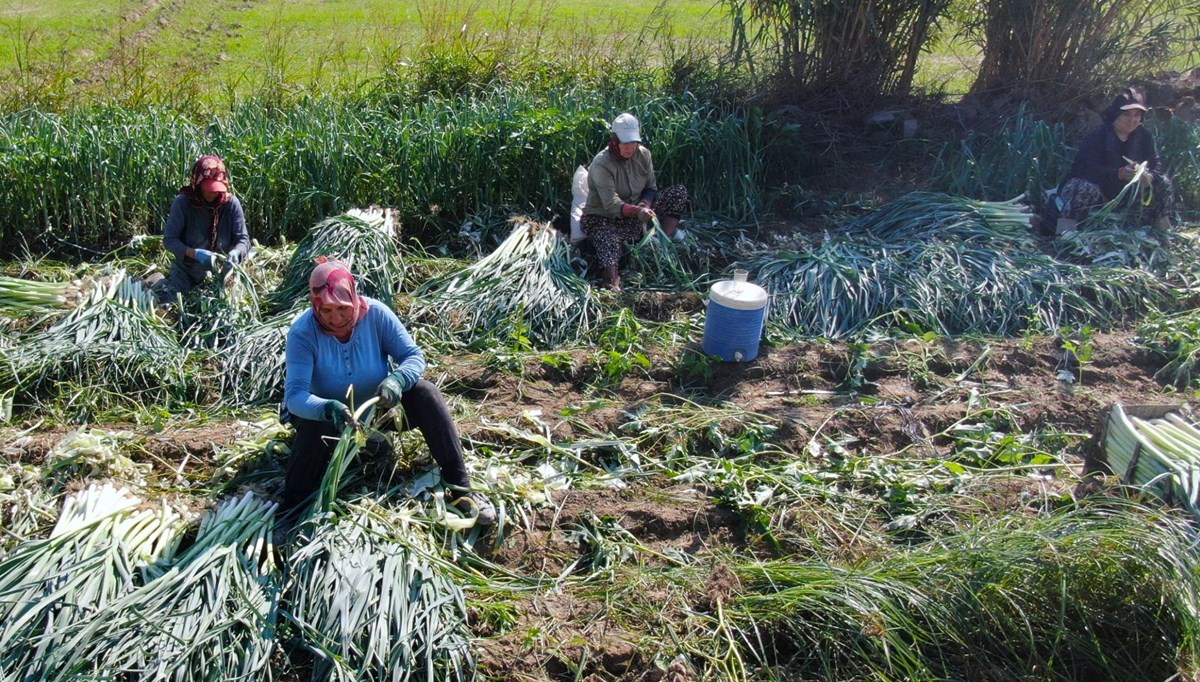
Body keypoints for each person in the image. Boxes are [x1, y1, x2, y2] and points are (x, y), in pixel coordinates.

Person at [280, 258, 496, 525]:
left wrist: (397, 380)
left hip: (379, 411)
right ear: (315, 305)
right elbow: (296, 397)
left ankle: (461, 489)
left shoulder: (376, 315)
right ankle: (292, 507)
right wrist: (326, 408)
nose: (335, 318)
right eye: (326, 310)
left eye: (343, 308)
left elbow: (413, 357)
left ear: (354, 295)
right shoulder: (303, 333)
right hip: (329, 421)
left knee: (426, 393)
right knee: (314, 427)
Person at [581, 113, 689, 291]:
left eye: (633, 142)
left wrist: (645, 205)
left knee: (678, 192)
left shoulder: (643, 154)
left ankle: (665, 245)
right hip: (604, 217)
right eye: (625, 143)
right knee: (608, 241)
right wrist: (637, 212)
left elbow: (651, 187)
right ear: (615, 141)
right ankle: (612, 285)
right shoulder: (602, 164)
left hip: (636, 214)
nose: (630, 148)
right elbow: (611, 203)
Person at [1055, 86, 1174, 233]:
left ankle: (1162, 229)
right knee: (1083, 187)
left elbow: (1156, 164)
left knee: (1163, 183)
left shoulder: (1144, 136)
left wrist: (1148, 176)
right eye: (1126, 115)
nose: (1132, 120)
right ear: (1116, 115)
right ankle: (1066, 233)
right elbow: (1084, 168)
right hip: (1098, 194)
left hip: (1126, 196)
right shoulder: (1098, 136)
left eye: (1137, 115)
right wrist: (1117, 173)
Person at [153, 155, 251, 304]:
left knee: (227, 305)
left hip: (223, 271)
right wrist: (194, 254)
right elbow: (169, 240)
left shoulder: (231, 204)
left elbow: (243, 239)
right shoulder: (183, 203)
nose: (213, 193)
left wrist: (236, 253)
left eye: (216, 189)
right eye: (208, 189)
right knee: (173, 302)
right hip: (187, 270)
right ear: (197, 183)